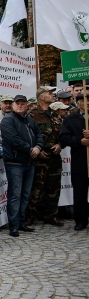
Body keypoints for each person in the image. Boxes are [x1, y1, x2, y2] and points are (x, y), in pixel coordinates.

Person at [1, 95, 44, 237]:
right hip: (14, 163)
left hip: (29, 162)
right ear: (13, 105)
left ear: (27, 106)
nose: (20, 106)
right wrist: (30, 149)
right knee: (15, 195)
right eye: (17, 103)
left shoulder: (30, 120)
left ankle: (21, 222)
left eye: (22, 104)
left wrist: (38, 146)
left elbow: (39, 135)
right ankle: (13, 225)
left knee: (25, 195)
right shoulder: (8, 120)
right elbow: (13, 139)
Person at [27, 86, 64, 227]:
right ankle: (30, 216)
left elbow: (63, 133)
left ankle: (51, 216)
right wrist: (37, 149)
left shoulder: (55, 114)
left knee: (54, 188)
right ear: (41, 96)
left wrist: (60, 144)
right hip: (40, 157)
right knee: (37, 188)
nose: (52, 95)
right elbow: (29, 135)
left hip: (55, 156)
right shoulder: (32, 114)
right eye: (49, 93)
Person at [59, 94, 89, 230]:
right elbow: (64, 138)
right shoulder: (71, 119)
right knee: (80, 192)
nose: (87, 103)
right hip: (79, 161)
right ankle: (81, 220)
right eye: (84, 101)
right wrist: (79, 141)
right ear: (78, 103)